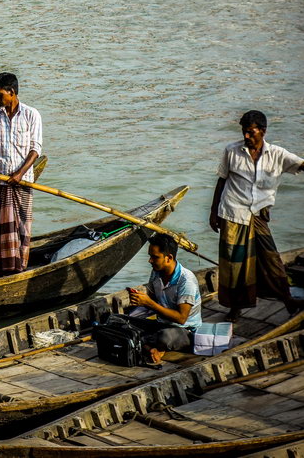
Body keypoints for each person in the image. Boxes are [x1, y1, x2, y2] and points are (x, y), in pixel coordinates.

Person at [210, 110, 304, 322]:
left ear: (263, 131)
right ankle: (235, 308)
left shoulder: (278, 154)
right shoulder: (232, 151)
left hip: (258, 215)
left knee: (271, 259)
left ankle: (286, 298)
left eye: (251, 132)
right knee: (234, 265)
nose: (246, 136)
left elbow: (301, 164)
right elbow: (221, 181)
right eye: (244, 132)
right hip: (233, 213)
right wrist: (213, 212)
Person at [0, 72, 42, 277]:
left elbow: (35, 150)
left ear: (12, 92)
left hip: (23, 182)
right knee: (3, 229)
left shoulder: (31, 114)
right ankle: (5, 270)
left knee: (23, 228)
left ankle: (20, 268)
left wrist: (19, 173)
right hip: (0, 181)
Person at [127, 234, 202, 365]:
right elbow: (153, 299)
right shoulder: (156, 272)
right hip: (161, 324)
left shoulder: (186, 281)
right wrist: (140, 300)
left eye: (155, 257)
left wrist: (149, 304)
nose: (150, 261)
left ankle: (148, 345)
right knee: (119, 320)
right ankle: (151, 348)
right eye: (150, 256)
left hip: (183, 330)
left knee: (164, 337)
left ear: (169, 258)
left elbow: (181, 318)